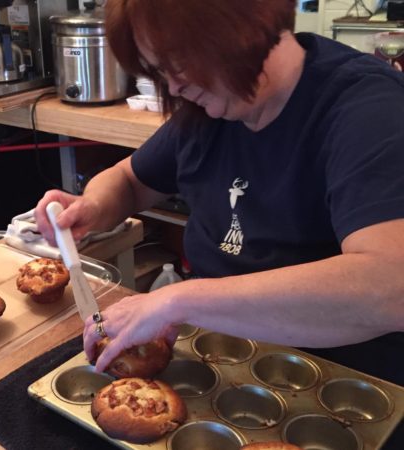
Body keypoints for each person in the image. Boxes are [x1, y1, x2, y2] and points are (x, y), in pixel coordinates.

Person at [34, 0, 404, 388]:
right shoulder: (210, 110)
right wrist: (94, 206)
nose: (173, 87)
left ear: (241, 30)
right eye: (159, 70)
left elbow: (390, 286)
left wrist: (180, 301)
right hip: (219, 357)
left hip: (344, 384)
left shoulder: (367, 109)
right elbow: (128, 179)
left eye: (177, 63)